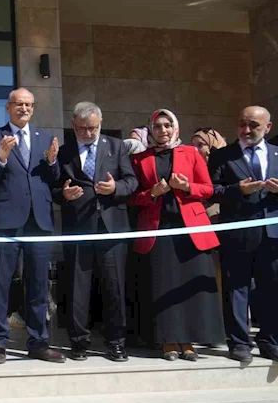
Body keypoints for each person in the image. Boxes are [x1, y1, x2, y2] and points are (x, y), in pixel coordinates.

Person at [129, 109, 225, 361]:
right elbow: (132, 197)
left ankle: (188, 341)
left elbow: (208, 189)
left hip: (190, 230)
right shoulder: (140, 159)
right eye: (158, 126)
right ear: (151, 129)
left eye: (167, 125)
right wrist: (153, 193)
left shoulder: (191, 153)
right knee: (163, 285)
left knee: (189, 287)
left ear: (175, 128)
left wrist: (186, 187)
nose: (163, 131)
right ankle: (168, 341)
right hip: (158, 229)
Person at [0, 88, 63, 363]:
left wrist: (52, 162)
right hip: (7, 220)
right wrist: (1, 157)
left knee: (38, 284)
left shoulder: (44, 139)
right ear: (8, 107)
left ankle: (38, 341)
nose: (24, 108)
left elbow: (53, 179)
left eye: (29, 104)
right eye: (19, 104)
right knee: (1, 282)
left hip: (38, 220)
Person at [55, 102, 138, 362]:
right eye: (82, 129)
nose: (88, 133)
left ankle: (116, 343)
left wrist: (115, 189)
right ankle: (78, 342)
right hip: (78, 227)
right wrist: (63, 194)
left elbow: (132, 181)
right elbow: (53, 188)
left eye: (92, 128)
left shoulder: (116, 146)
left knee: (114, 286)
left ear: (100, 124)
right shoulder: (64, 151)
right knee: (77, 288)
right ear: (74, 126)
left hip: (111, 227)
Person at [208, 106, 278, 362]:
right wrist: (238, 190)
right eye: (242, 124)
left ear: (267, 128)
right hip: (238, 233)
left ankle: (269, 340)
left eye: (253, 125)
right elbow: (211, 191)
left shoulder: (277, 154)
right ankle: (238, 342)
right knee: (236, 288)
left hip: (272, 235)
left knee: (271, 288)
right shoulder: (222, 156)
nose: (246, 130)